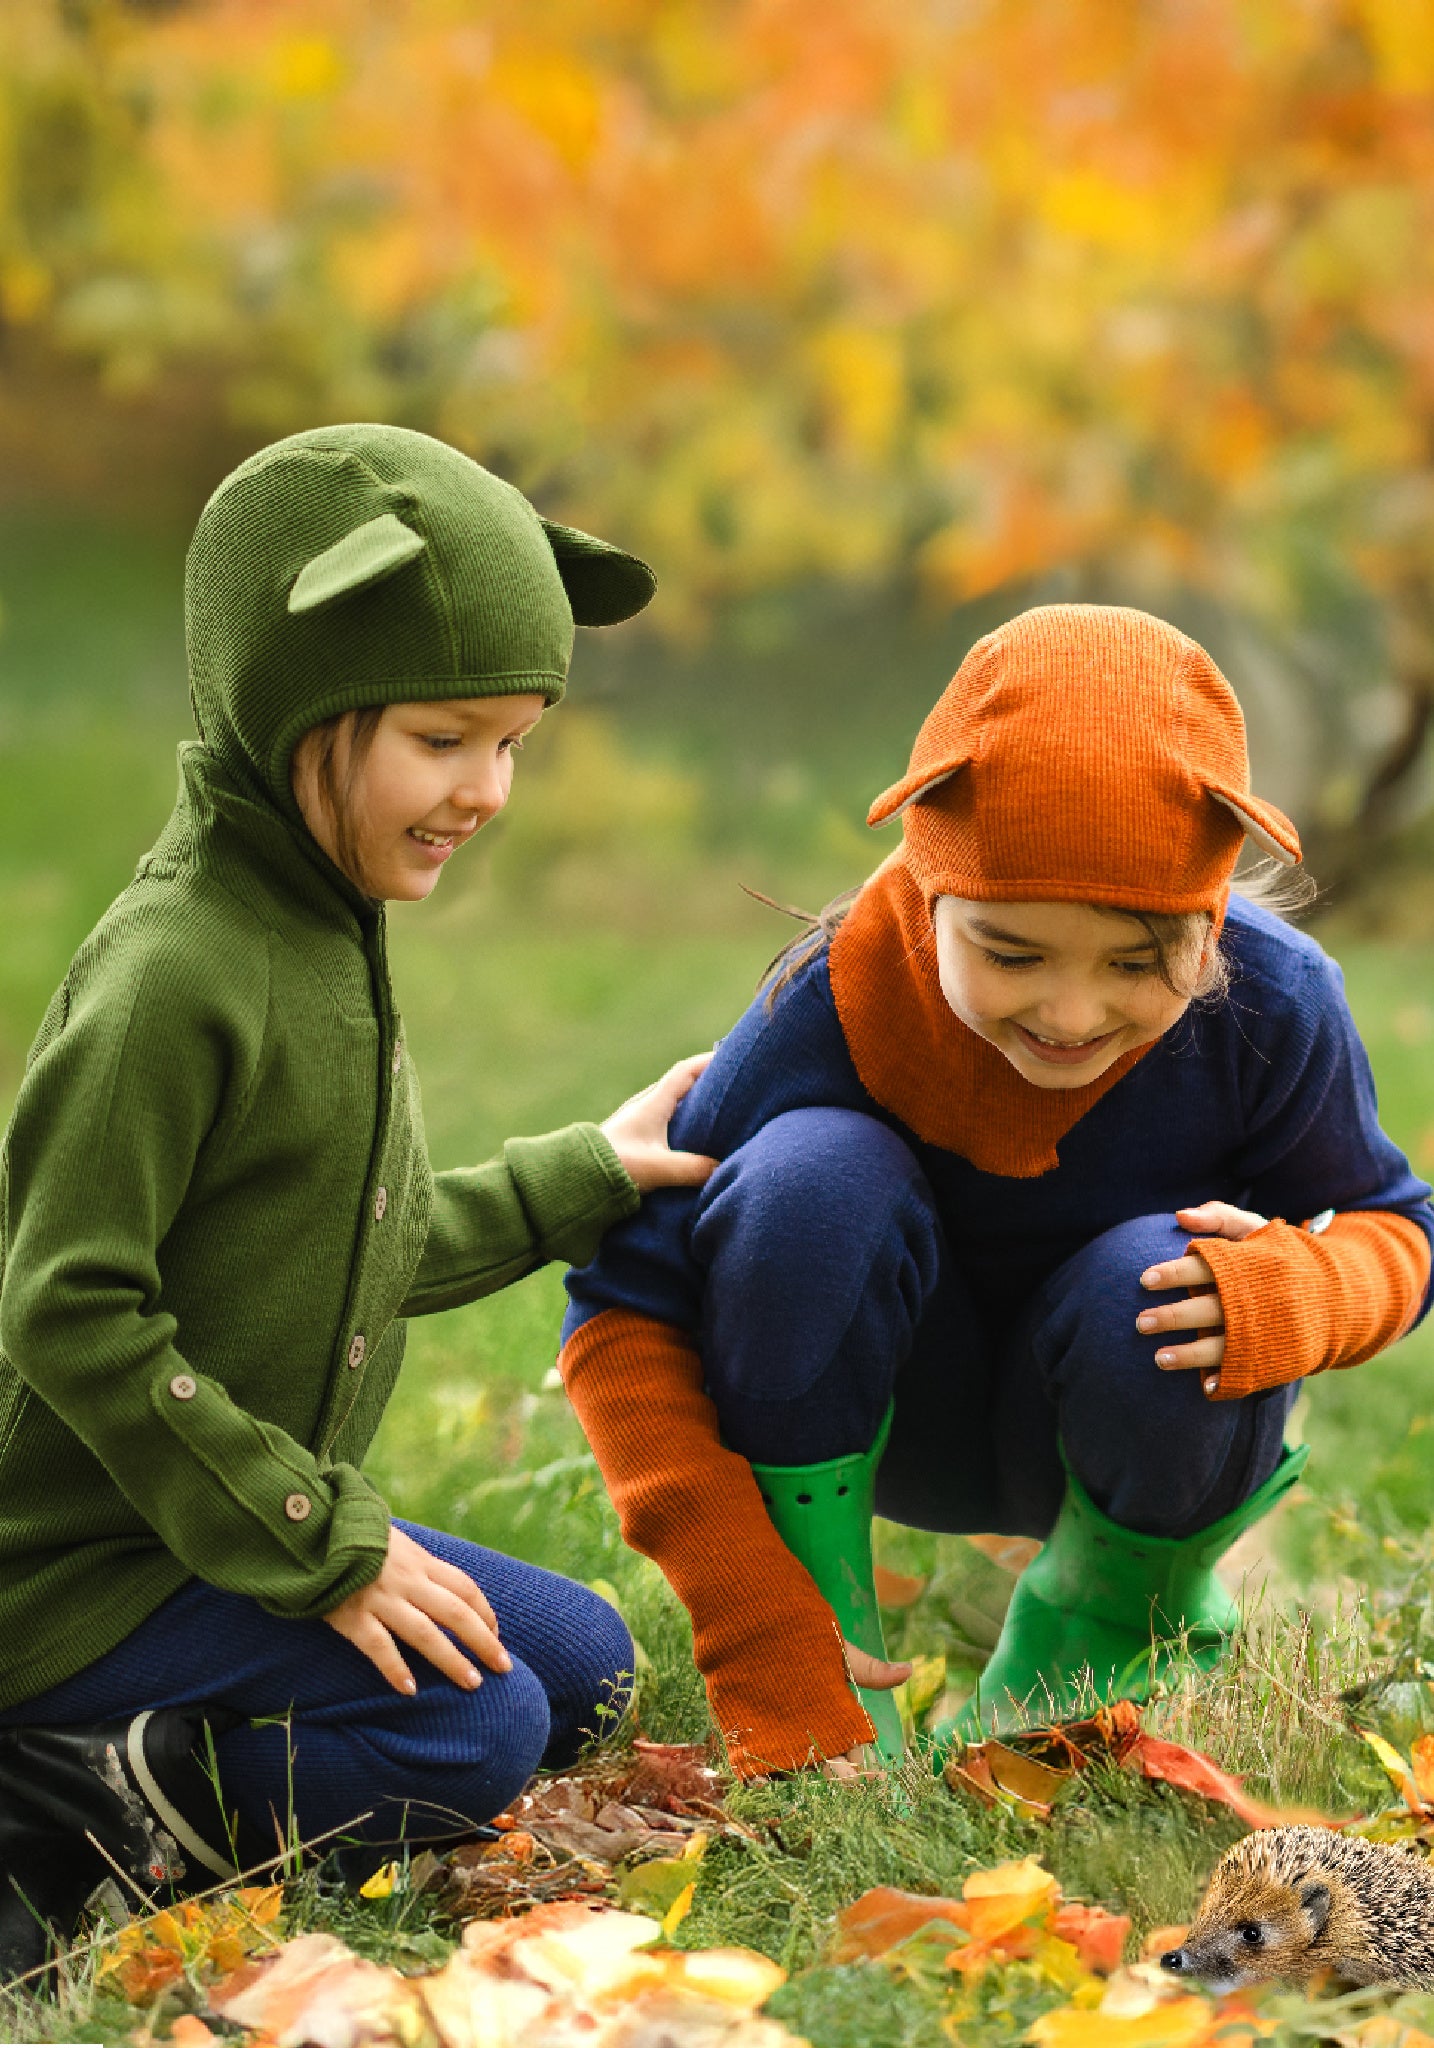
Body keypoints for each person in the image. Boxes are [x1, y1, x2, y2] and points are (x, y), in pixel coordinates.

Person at [0, 423, 714, 1976]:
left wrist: (580, 1176)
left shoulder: (317, 921)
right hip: (72, 1570)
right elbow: (66, 1303)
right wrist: (325, 1540)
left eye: (515, 743)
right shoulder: (174, 973)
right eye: (445, 739)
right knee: (477, 1736)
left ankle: (174, 1726)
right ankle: (84, 1791)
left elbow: (339, 1248)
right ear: (294, 706)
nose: (490, 790)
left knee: (580, 1665)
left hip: (208, 1519)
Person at [557, 603, 1434, 1780]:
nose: (1072, 1014)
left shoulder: (1274, 1003)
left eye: (1141, 961)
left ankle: (1084, 1652)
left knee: (1165, 1274)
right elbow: (622, 1310)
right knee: (812, 1175)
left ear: (1211, 914)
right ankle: (828, 1660)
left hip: (1127, 1418)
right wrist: (749, 1607)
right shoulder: (838, 994)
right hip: (870, 1411)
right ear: (929, 891)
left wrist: (1310, 1286)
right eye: (1010, 953)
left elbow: (1399, 1230)